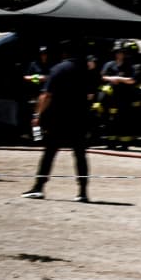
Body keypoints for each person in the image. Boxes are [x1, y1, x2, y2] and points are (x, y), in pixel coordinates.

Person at [22, 40, 95, 202]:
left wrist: (37, 115)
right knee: (80, 155)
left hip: (59, 118)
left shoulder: (58, 69)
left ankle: (39, 187)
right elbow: (90, 95)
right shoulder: (86, 71)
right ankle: (82, 191)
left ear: (64, 53)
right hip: (80, 118)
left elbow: (46, 95)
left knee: (49, 153)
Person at [99, 44, 140, 150]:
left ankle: (124, 143)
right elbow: (102, 77)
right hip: (111, 97)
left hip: (125, 97)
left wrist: (119, 79)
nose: (119, 55)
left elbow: (132, 80)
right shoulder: (109, 65)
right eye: (117, 52)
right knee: (111, 120)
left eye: (121, 53)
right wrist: (112, 79)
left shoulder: (130, 66)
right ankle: (111, 142)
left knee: (124, 120)